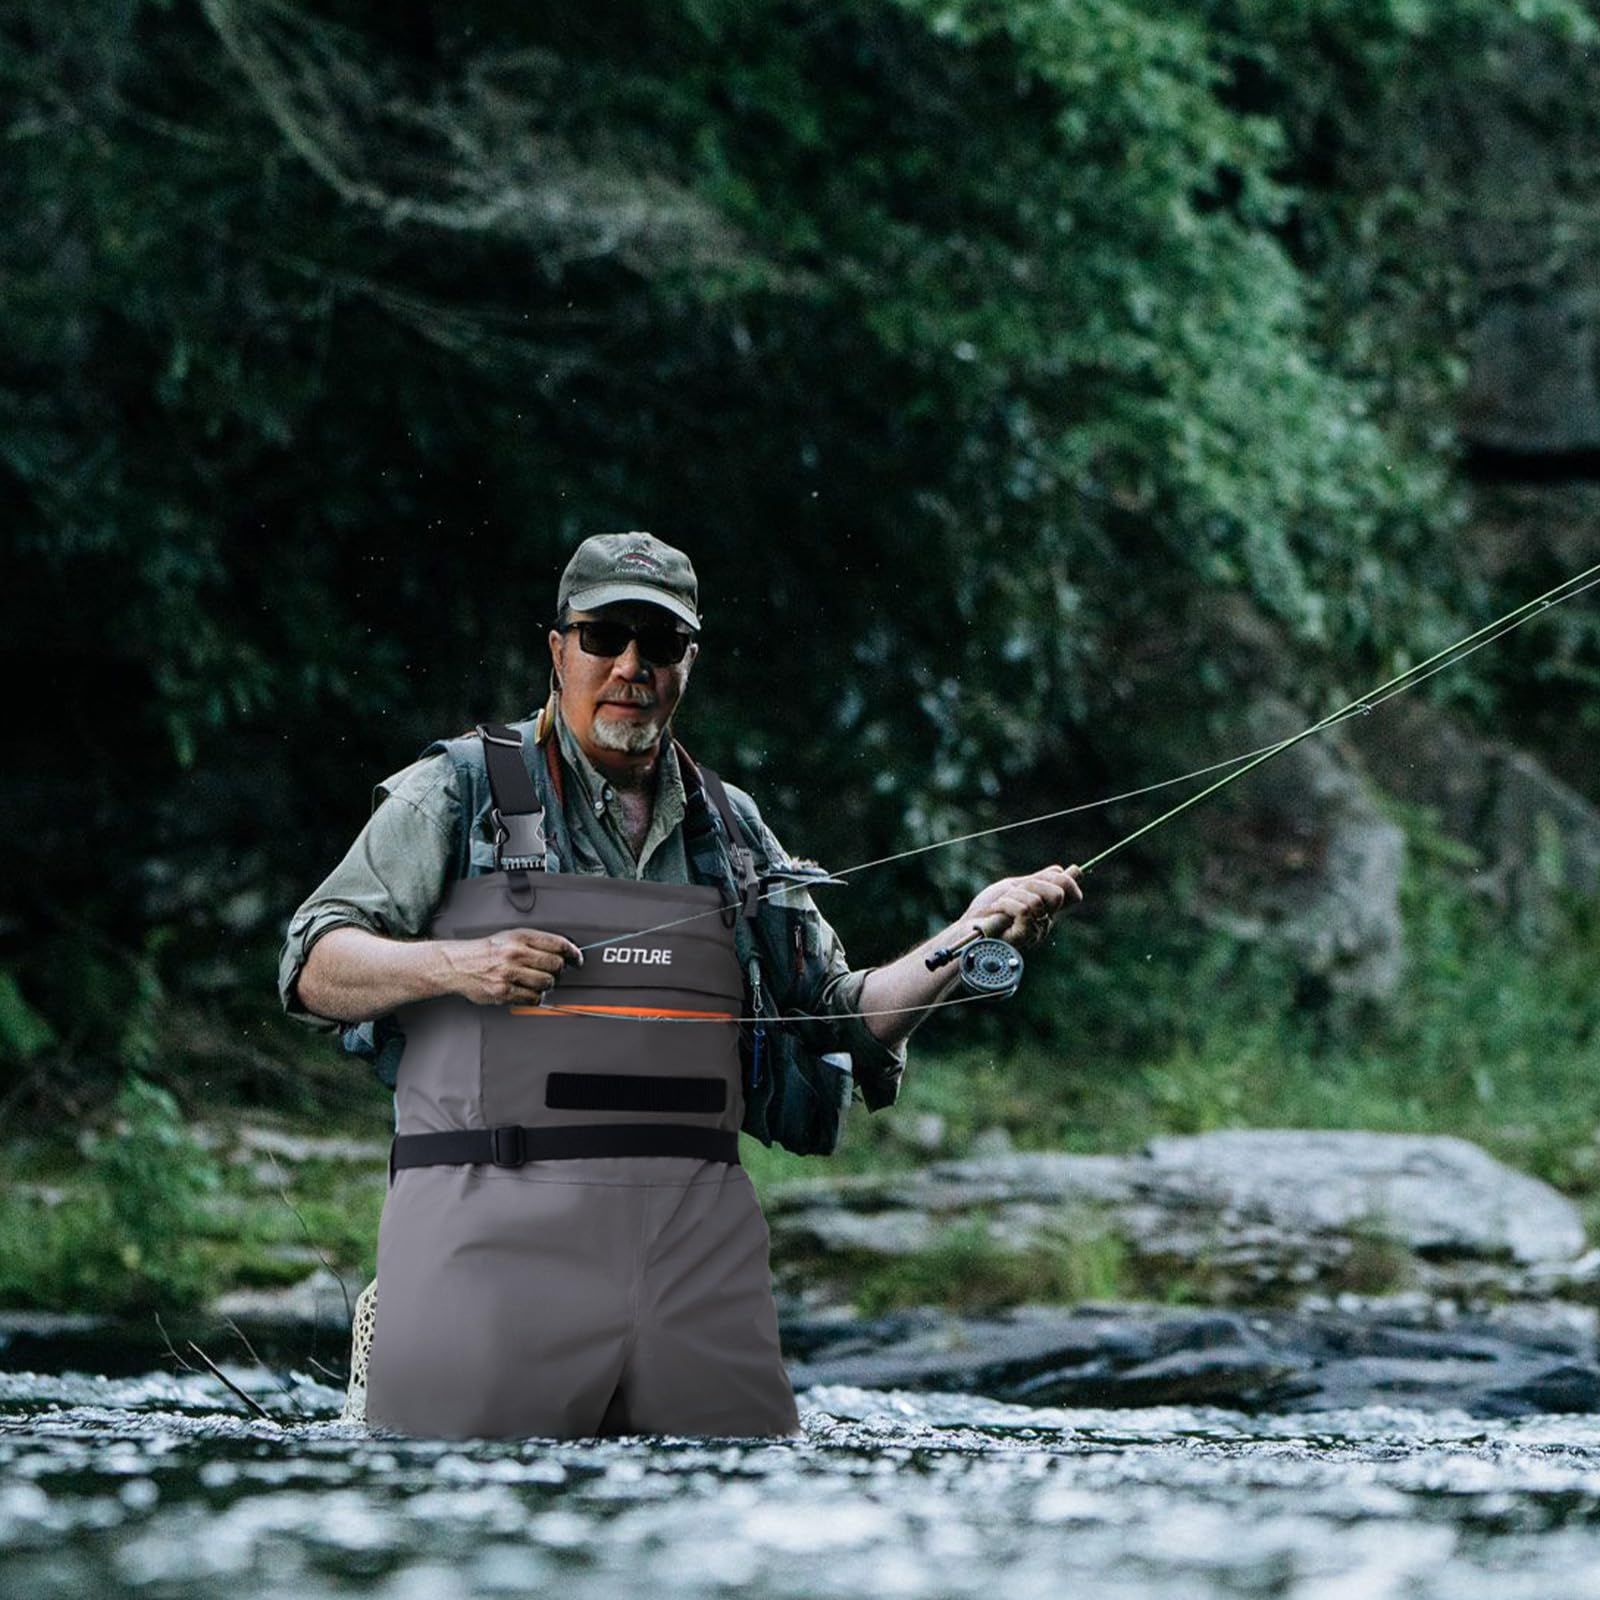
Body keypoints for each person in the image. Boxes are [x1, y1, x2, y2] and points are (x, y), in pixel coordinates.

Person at [278, 531, 1084, 1440]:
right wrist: (456, 964)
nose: (631, 666)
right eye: (604, 637)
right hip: (486, 1241)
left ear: (688, 662)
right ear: (557, 648)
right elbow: (312, 964)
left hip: (695, 1258)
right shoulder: (457, 790)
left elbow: (839, 1017)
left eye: (659, 645)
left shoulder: (732, 830)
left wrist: (962, 939)